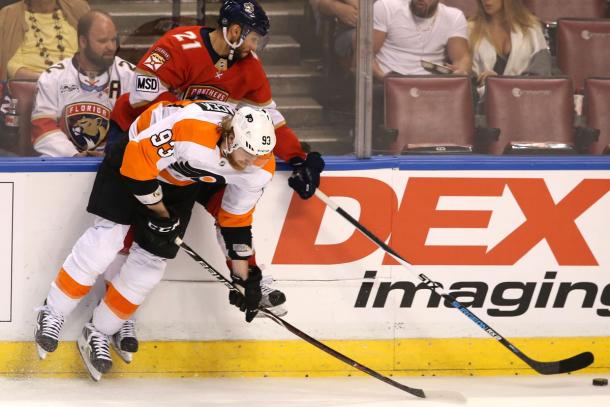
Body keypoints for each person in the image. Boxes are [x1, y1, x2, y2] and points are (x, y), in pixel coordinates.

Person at [34, 99, 278, 381]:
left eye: (260, 156)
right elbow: (137, 165)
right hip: (133, 158)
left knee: (150, 266)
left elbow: (235, 222)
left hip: (179, 181)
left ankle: (99, 331)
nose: (253, 162)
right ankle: (52, 312)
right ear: (231, 137)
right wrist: (162, 215)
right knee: (105, 243)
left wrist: (243, 278)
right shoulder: (192, 131)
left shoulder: (260, 166)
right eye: (249, 153)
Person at [107, 0, 325, 202]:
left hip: (190, 146)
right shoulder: (178, 45)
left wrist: (297, 158)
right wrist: (196, 121)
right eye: (254, 38)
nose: (255, 46)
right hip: (134, 132)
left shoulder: (250, 68)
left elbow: (267, 119)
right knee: (119, 209)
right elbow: (142, 97)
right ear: (235, 31)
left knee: (207, 205)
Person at [30, 10, 136, 156]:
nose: (111, 47)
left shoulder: (130, 75)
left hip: (114, 165)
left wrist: (112, 155)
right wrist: (74, 156)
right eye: (103, 41)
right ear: (83, 41)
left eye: (113, 40)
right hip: (64, 165)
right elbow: (42, 128)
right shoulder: (52, 77)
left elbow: (144, 125)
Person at [373, 0, 472, 80]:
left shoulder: (454, 17)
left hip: (432, 85)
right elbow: (365, 54)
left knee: (471, 92)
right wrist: (382, 77)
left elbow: (461, 59)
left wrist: (460, 72)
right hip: (388, 81)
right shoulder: (386, 7)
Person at [468, 0, 550, 89]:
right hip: (483, 99)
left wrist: (499, 82)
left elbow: (542, 77)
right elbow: (467, 78)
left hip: (524, 98)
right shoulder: (470, 30)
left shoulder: (531, 30)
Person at [0, 0, 89, 81]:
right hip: (31, 87)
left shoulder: (78, 9)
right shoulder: (9, 14)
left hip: (77, 82)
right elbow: (11, 66)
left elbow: (91, 52)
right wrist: (49, 79)